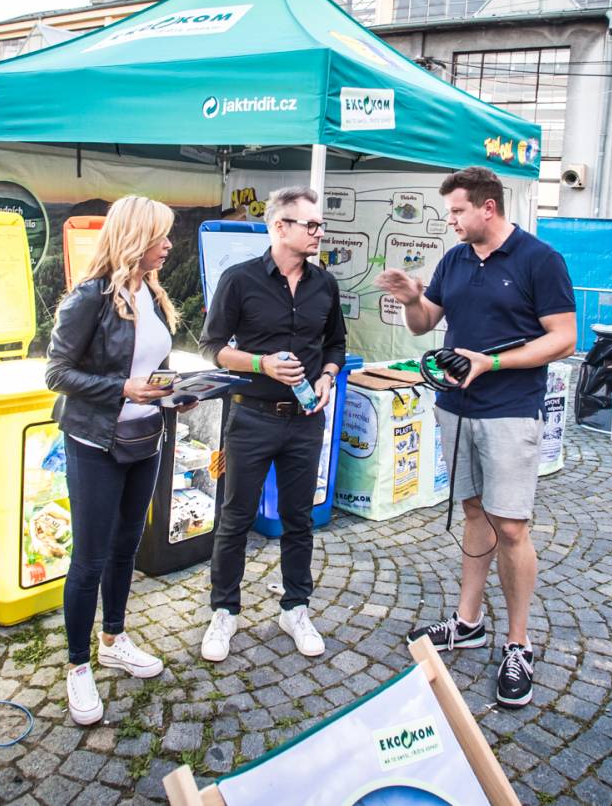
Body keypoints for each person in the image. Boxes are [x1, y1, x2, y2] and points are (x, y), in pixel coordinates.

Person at [375, 166, 577, 708]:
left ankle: (519, 642)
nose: (452, 221)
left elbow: (563, 338)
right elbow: (424, 324)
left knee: (510, 525)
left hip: (511, 408)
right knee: (471, 512)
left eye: (458, 211)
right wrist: (412, 297)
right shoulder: (455, 259)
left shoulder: (540, 259)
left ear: (488, 207)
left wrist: (491, 362)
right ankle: (468, 622)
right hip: (454, 406)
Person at [45, 195, 179, 726]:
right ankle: (78, 666)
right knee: (90, 559)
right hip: (96, 443)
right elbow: (56, 373)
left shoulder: (152, 292)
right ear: (133, 238)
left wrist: (176, 391)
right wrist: (122, 388)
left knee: (126, 549)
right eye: (160, 236)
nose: (170, 245)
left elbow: (156, 367)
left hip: (145, 440)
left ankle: (113, 639)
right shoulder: (90, 298)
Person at [198, 186, 346, 662]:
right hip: (251, 417)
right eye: (311, 225)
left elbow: (336, 344)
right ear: (279, 227)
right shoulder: (239, 280)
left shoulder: (325, 284)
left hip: (305, 420)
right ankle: (225, 611)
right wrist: (261, 364)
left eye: (319, 225)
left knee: (299, 520)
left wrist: (327, 376)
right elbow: (212, 346)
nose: (319, 232)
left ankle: (295, 607)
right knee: (236, 518)